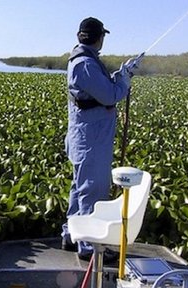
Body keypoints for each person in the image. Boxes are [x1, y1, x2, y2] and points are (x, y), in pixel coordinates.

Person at [62, 17, 133, 260]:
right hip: (90, 139)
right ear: (99, 37)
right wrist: (123, 81)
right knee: (92, 189)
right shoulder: (85, 64)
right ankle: (89, 246)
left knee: (79, 188)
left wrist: (120, 74)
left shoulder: (85, 61)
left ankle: (71, 235)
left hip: (88, 137)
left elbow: (99, 88)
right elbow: (110, 95)